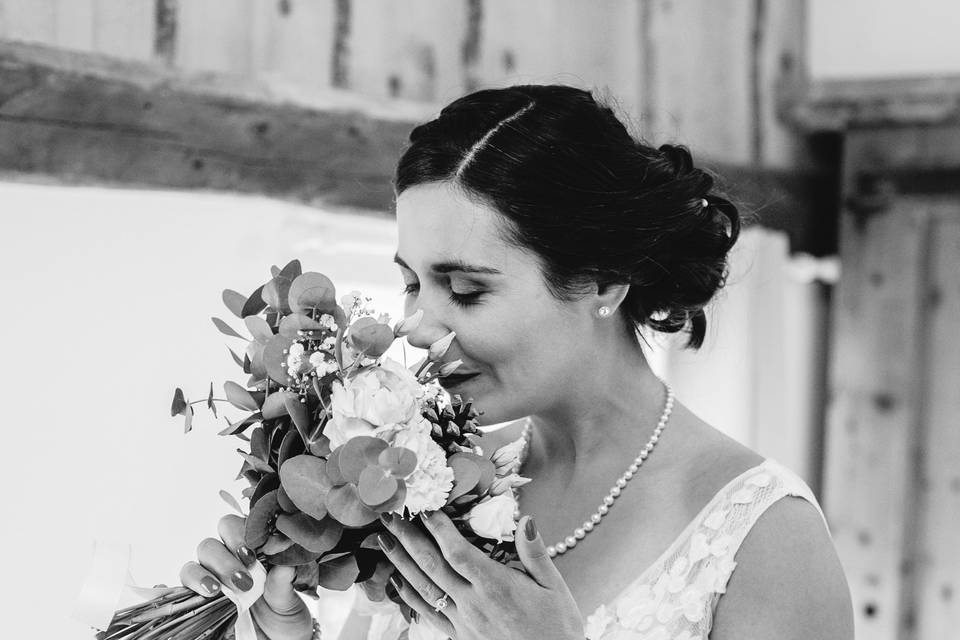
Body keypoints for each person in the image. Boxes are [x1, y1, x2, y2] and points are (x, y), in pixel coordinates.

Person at [181, 84, 854, 640]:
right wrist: (283, 628)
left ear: (602, 280)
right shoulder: (429, 484)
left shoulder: (765, 538)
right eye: (413, 282)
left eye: (467, 290)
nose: (418, 327)